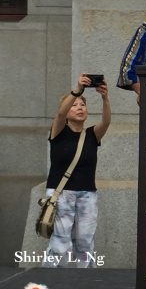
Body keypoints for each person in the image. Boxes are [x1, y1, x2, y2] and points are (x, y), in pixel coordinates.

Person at [43, 73, 111, 267]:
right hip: (61, 193)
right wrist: (76, 91)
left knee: (85, 242)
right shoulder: (58, 131)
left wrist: (105, 98)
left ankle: (86, 281)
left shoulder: (91, 135)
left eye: (82, 104)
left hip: (87, 194)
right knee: (60, 242)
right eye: (74, 105)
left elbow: (106, 122)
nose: (80, 107)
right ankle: (53, 281)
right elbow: (60, 115)